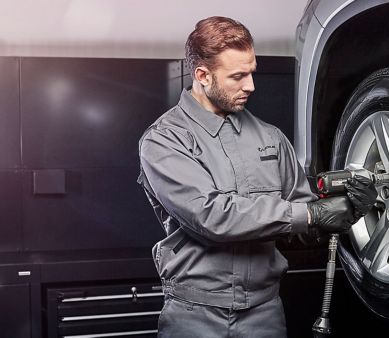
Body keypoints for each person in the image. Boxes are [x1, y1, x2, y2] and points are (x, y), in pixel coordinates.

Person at [137, 16, 376, 337]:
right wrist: (310, 213)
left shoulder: (271, 138)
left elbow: (305, 229)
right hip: (195, 316)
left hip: (265, 313)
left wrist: (348, 209)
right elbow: (211, 217)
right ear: (202, 75)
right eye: (237, 76)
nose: (250, 85)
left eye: (251, 72)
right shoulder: (165, 140)